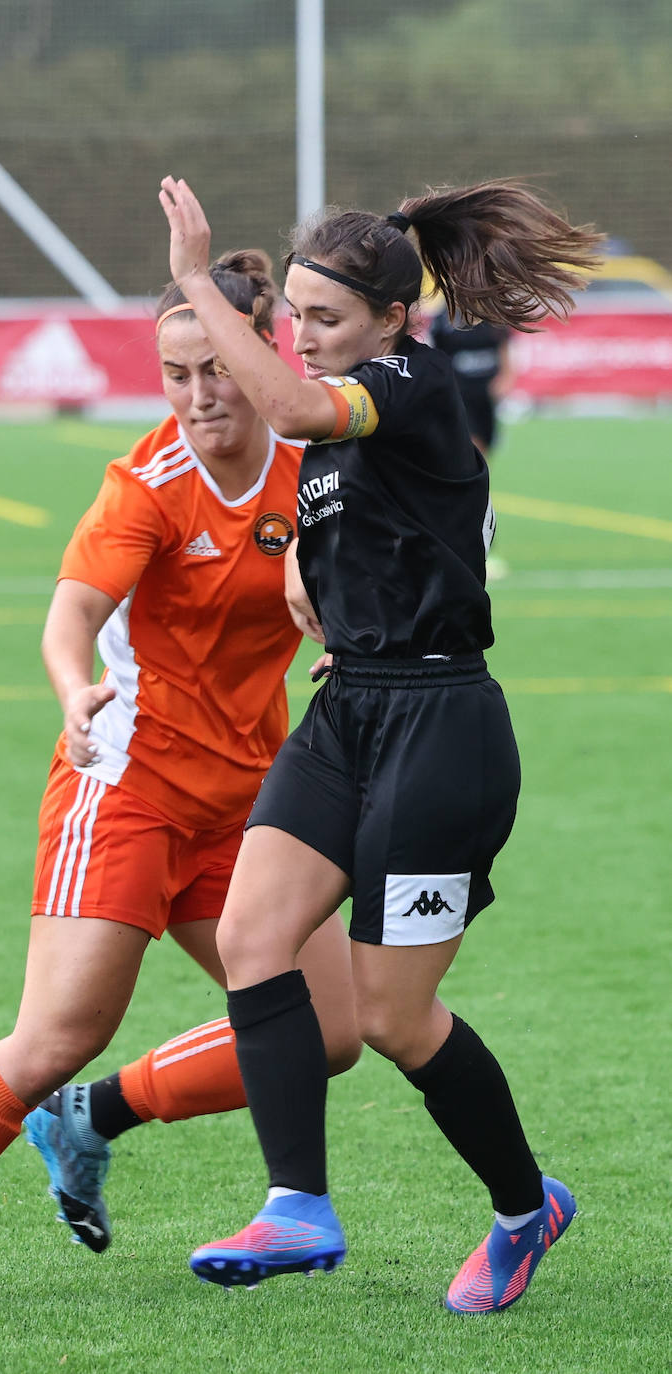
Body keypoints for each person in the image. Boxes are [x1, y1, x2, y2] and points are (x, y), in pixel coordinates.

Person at [0, 249, 361, 1314]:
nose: (199, 394)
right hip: (125, 787)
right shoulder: (146, 486)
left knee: (328, 1030)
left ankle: (93, 1118)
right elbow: (70, 613)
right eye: (175, 374)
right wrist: (73, 691)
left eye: (215, 366)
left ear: (263, 350)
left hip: (255, 797)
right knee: (56, 1033)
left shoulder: (313, 466)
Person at [157, 175, 601, 1313]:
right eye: (294, 317)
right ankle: (296, 1207)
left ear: (393, 320)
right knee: (253, 935)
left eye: (323, 321)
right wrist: (320, 600)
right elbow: (342, 536)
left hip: (440, 730)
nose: (302, 339)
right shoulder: (351, 406)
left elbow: (303, 415)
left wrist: (196, 287)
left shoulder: (404, 382)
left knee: (393, 1019)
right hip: (347, 710)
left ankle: (521, 1208)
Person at [427, 304, 515, 579]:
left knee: (478, 474)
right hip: (460, 403)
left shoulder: (494, 314)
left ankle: (461, 544)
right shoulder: (443, 318)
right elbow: (433, 357)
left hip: (486, 404)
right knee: (476, 472)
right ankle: (481, 551)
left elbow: (504, 351)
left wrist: (505, 378)